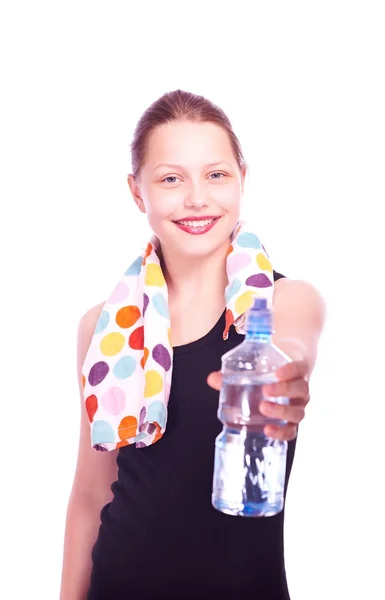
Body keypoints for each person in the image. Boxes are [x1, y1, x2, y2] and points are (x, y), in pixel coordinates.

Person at [60, 89, 325, 600]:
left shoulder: (283, 301)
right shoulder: (101, 327)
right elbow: (91, 494)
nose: (197, 198)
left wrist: (283, 371)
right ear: (138, 193)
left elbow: (294, 340)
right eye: (171, 179)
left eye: (216, 175)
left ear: (242, 178)